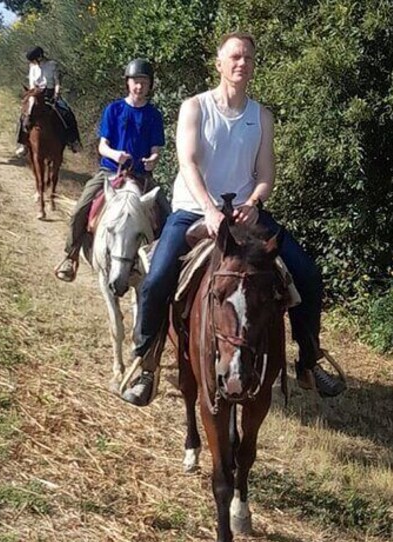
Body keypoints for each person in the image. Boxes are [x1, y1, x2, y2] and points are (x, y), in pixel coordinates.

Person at [121, 32, 347, 406]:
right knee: (157, 278)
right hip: (194, 210)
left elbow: (265, 174)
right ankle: (146, 364)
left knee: (307, 274)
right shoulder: (195, 107)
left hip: (246, 216)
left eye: (248, 58)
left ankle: (309, 361)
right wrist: (209, 207)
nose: (242, 63)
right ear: (219, 63)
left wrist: (255, 202)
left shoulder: (262, 117)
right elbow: (188, 163)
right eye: (235, 57)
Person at [53, 58, 169, 283]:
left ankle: (164, 267)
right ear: (127, 83)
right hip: (110, 172)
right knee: (81, 208)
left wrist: (152, 160)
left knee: (168, 213)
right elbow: (102, 146)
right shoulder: (114, 109)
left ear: (150, 85)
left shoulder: (154, 115)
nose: (139, 86)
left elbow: (156, 149)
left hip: (142, 176)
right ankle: (71, 254)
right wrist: (116, 155)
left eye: (144, 82)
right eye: (135, 81)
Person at [16, 46, 83, 157]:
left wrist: (56, 93)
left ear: (40, 57)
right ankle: (23, 143)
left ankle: (73, 141)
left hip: (51, 93)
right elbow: (32, 83)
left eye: (34, 59)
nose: (33, 62)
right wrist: (32, 94)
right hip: (36, 93)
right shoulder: (32, 67)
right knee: (24, 115)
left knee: (67, 112)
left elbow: (57, 82)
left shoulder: (52, 65)